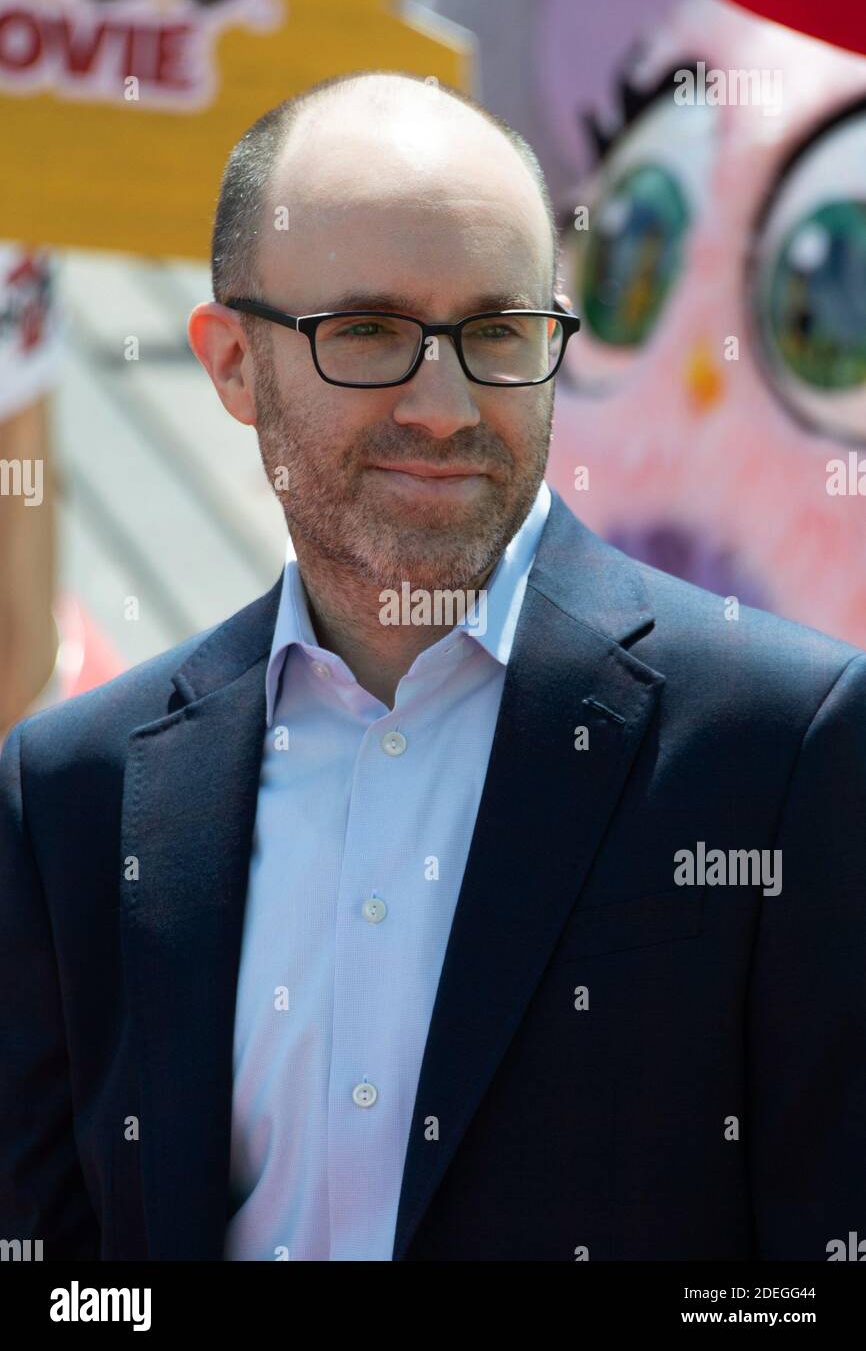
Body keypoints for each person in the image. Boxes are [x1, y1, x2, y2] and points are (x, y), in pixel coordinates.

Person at [1, 70, 864, 1262]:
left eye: (498, 333)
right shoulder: (76, 789)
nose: (447, 404)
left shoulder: (779, 741)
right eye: (369, 332)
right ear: (231, 364)